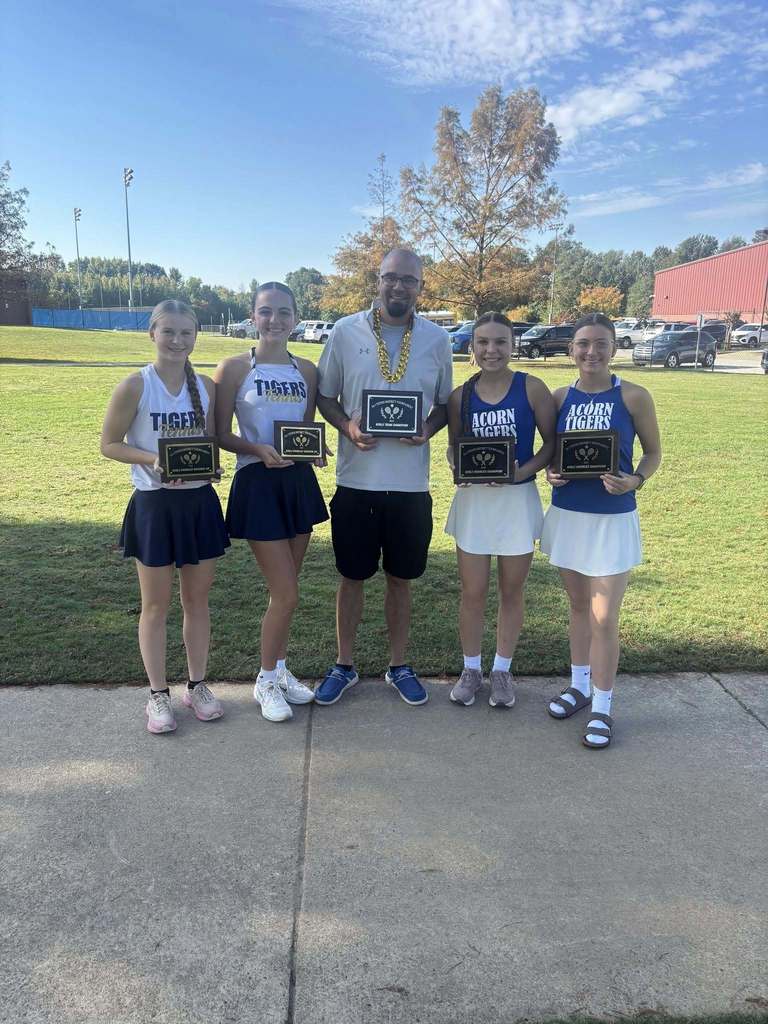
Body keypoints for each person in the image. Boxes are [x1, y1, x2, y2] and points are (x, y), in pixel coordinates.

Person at [314, 248, 453, 706]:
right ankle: (344, 664)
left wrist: (427, 429)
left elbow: (444, 405)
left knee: (400, 579)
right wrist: (347, 427)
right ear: (378, 280)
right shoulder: (345, 330)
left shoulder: (437, 339)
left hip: (410, 486)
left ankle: (398, 665)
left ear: (420, 287)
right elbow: (325, 396)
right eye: (391, 277)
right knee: (351, 577)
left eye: (409, 280)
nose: (399, 286)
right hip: (356, 482)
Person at [100, 299, 229, 734]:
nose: (177, 340)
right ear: (152, 333)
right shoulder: (135, 385)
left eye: (186, 333)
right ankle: (158, 694)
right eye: (168, 331)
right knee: (155, 606)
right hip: (154, 506)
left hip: (199, 504)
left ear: (196, 336)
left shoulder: (206, 386)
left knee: (197, 601)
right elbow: (109, 444)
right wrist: (151, 460)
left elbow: (208, 443)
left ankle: (197, 686)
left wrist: (209, 467)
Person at [540, 312, 662, 749]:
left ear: (613, 348)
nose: (591, 352)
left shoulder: (633, 395)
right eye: (583, 344)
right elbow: (552, 454)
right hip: (569, 514)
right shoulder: (558, 397)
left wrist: (636, 480)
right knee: (578, 607)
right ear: (571, 349)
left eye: (600, 343)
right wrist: (551, 473)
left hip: (612, 519)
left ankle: (603, 706)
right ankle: (579, 686)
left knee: (604, 617)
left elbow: (653, 453)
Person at [214, 282, 327, 722]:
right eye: (266, 311)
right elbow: (220, 434)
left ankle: (279, 670)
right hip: (257, 483)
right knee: (286, 592)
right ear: (252, 316)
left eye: (283, 312)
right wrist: (257, 449)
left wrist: (315, 449)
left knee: (287, 592)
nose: (274, 320)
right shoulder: (234, 367)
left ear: (295, 318)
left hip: (296, 484)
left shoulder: (307, 370)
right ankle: (264, 681)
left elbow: (305, 429)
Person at [445, 312, 556, 709]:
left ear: (513, 344)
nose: (491, 350)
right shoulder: (460, 395)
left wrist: (520, 473)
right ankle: (471, 669)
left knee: (512, 590)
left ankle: (502, 670)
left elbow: (550, 444)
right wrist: (458, 468)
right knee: (472, 592)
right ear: (472, 346)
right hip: (475, 504)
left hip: (516, 502)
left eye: (500, 342)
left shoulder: (532, 388)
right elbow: (454, 447)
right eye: (483, 342)